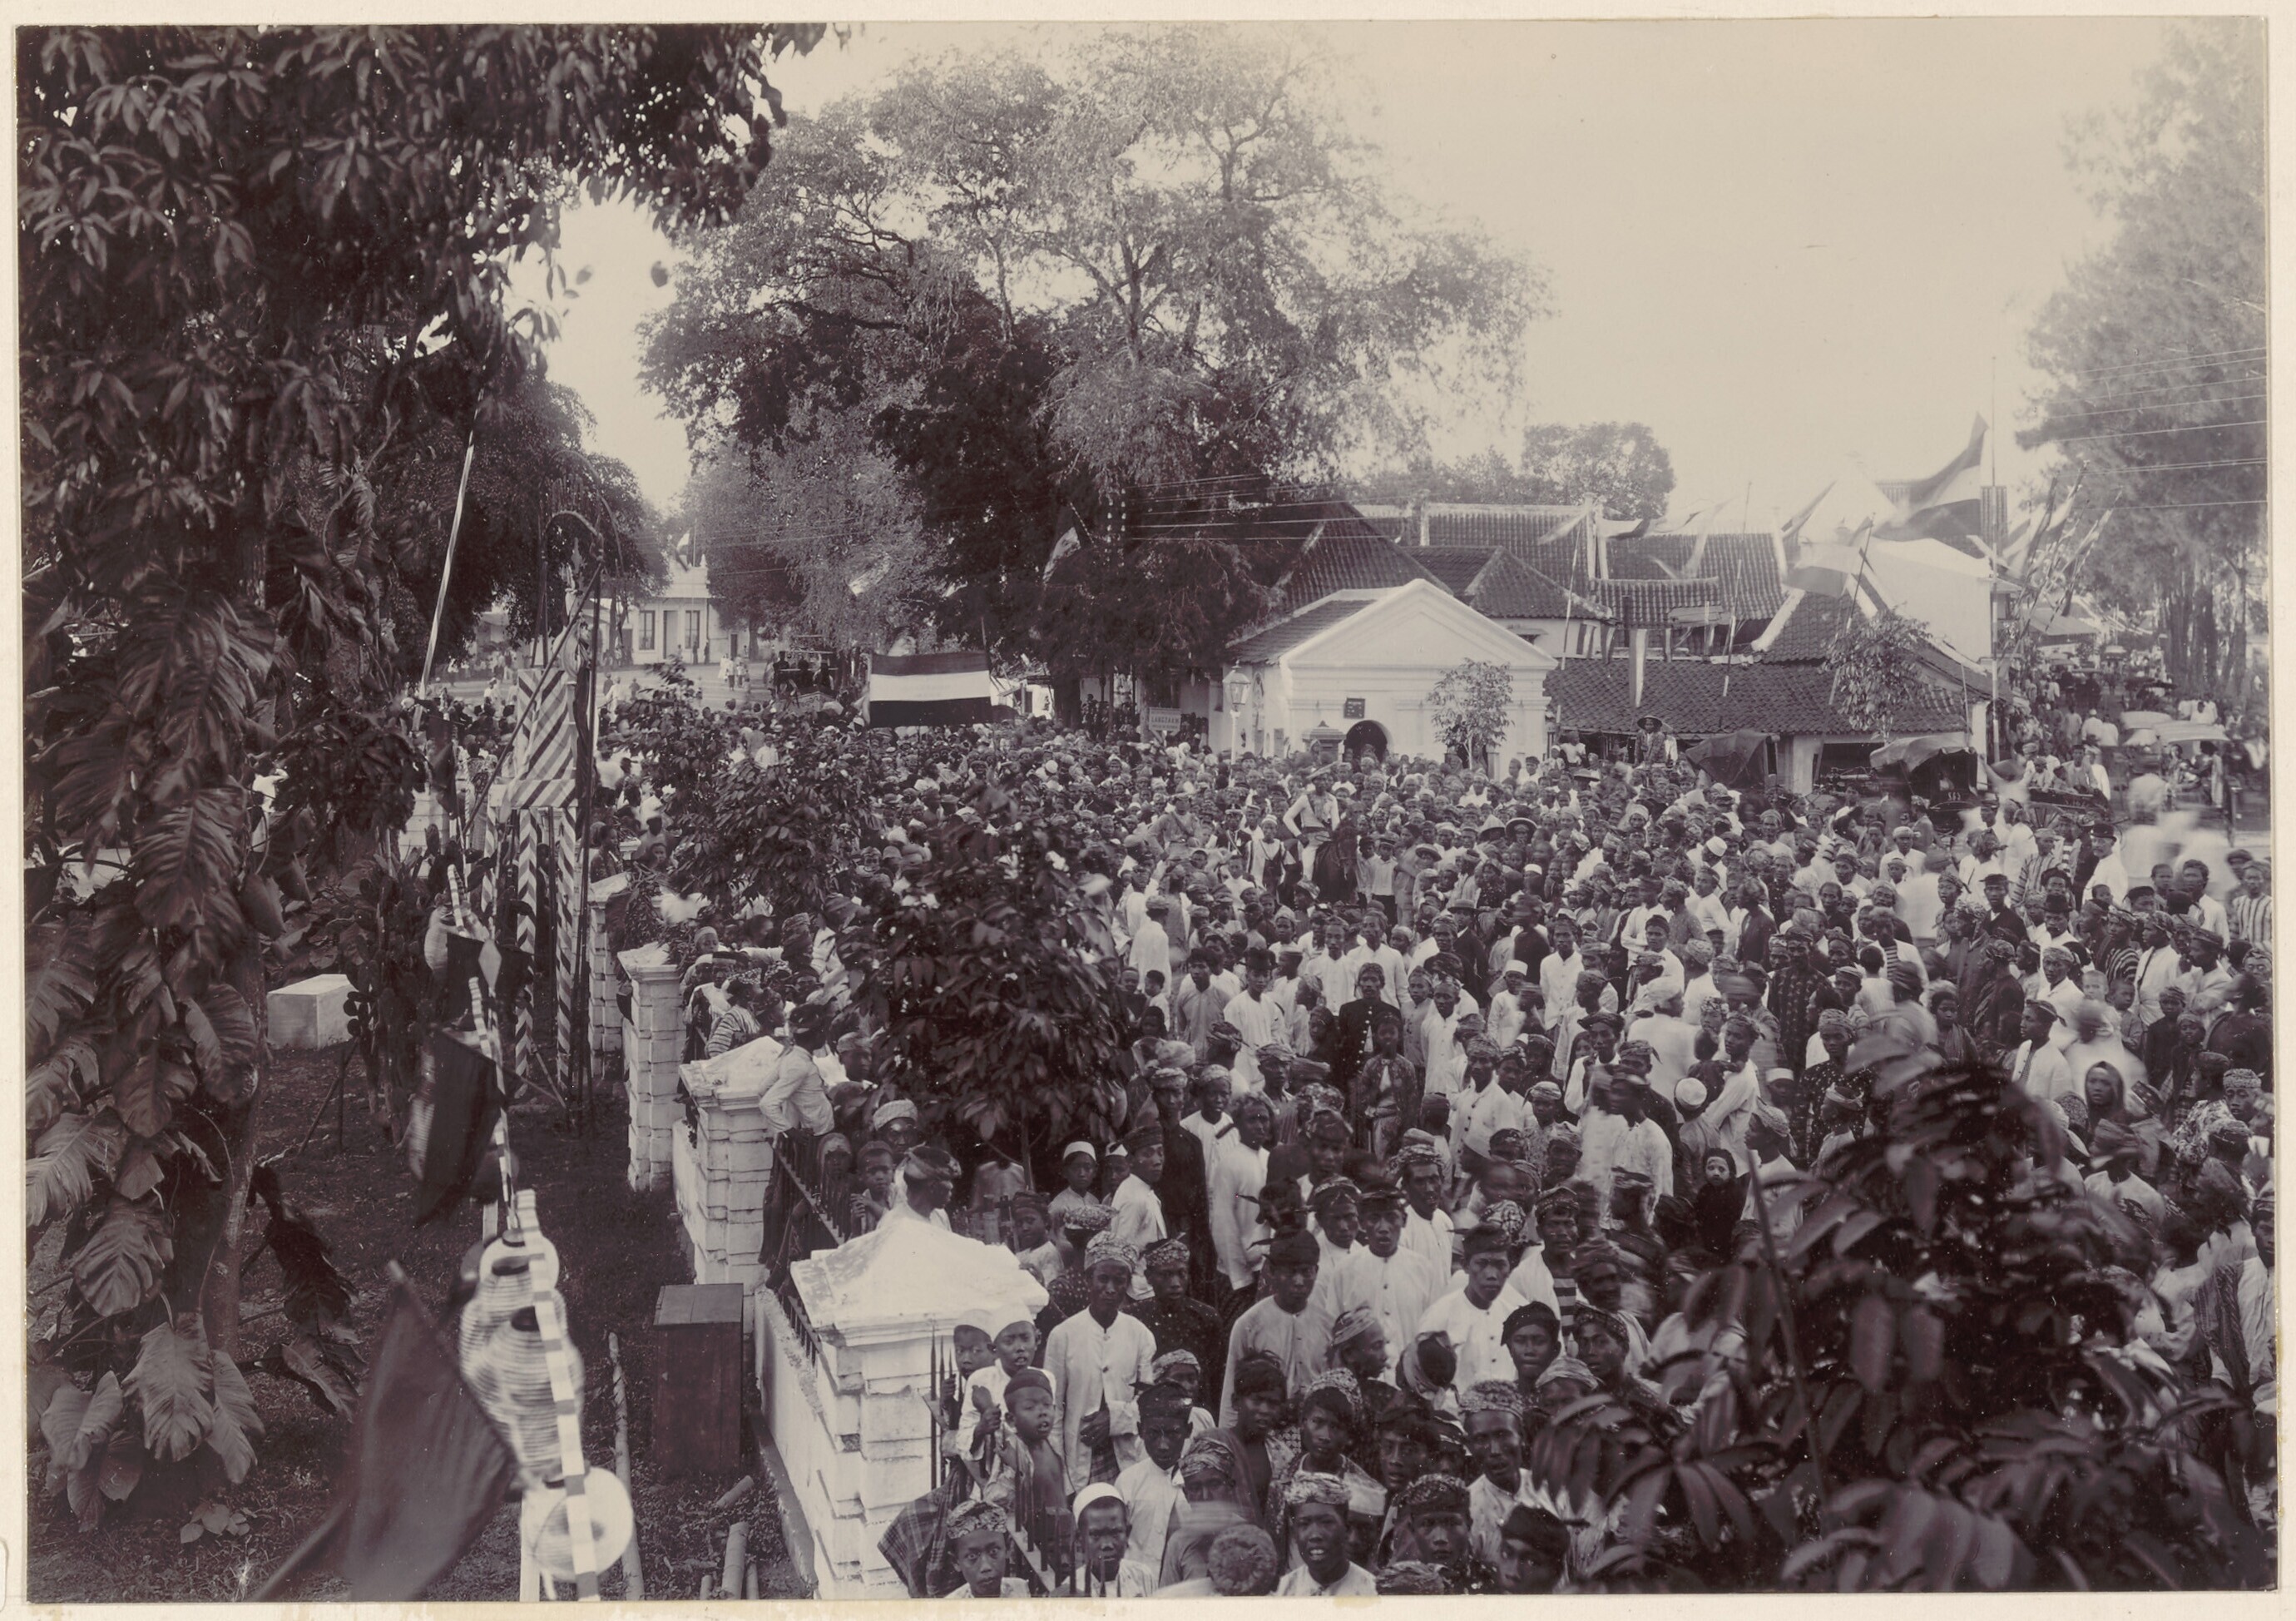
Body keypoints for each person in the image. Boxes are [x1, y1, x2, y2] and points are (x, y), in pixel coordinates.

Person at [1043, 1232, 1160, 1492]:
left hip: (1129, 1455)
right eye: (1103, 1279)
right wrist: (1063, 1481)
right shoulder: (1063, 1335)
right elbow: (1054, 1409)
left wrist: (1114, 1418)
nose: (1110, 1289)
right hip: (1079, 1459)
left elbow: (1149, 1400)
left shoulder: (1140, 1334)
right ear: (1088, 1280)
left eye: (1119, 1281)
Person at [1220, 1229, 1333, 1425]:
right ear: (1272, 1272)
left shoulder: (1327, 1324)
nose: (1299, 1282)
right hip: (1265, 1429)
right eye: (1290, 1272)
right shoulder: (1249, 1324)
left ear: (1316, 1271)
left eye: (1306, 1272)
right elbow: (1231, 1391)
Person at [1274, 1473, 1378, 1594]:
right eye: (1304, 1524)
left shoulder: (1372, 1592)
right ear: (1295, 1533)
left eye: (1326, 1522)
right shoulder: (1283, 1591)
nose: (1315, 1535)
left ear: (1346, 1526)